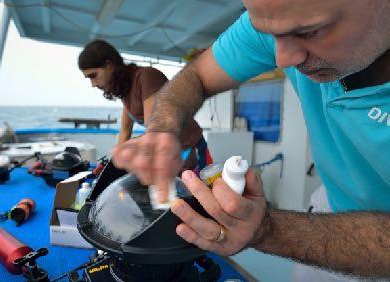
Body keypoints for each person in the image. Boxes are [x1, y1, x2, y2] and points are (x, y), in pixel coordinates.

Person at [111, 0, 390, 280]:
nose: (282, 60)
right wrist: (162, 130)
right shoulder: (282, 19)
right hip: (331, 204)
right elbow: (197, 75)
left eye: (309, 32)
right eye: (269, 33)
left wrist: (270, 231)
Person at [78, 40, 212, 180]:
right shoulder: (126, 90)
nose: (93, 84)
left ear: (109, 65)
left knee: (199, 195)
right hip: (172, 152)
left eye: (93, 75)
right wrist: (111, 171)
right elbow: (124, 133)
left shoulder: (146, 77)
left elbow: (154, 131)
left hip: (191, 148)